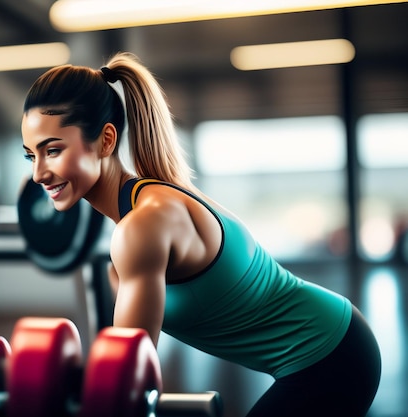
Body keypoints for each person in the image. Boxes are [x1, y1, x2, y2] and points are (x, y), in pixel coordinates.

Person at [20, 51, 381, 417]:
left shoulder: (144, 225)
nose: (37, 174)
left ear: (106, 140)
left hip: (331, 356)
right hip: (330, 344)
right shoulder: (143, 207)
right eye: (30, 156)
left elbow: (127, 372)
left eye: (52, 150)